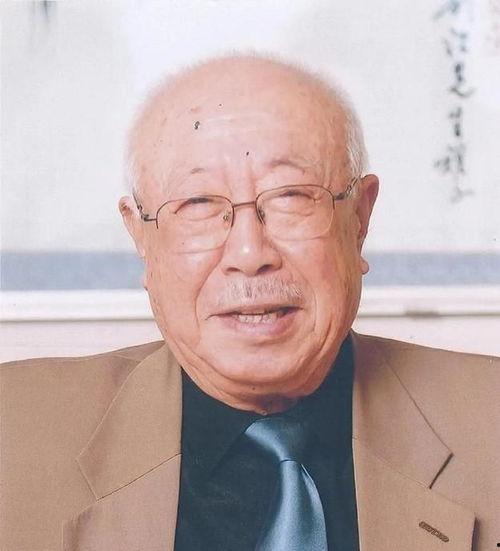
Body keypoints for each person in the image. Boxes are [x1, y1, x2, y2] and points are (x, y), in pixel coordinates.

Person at [1, 54, 498, 551]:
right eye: (198, 204)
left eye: (291, 197)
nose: (249, 254)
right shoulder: (15, 433)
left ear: (359, 220)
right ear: (141, 238)